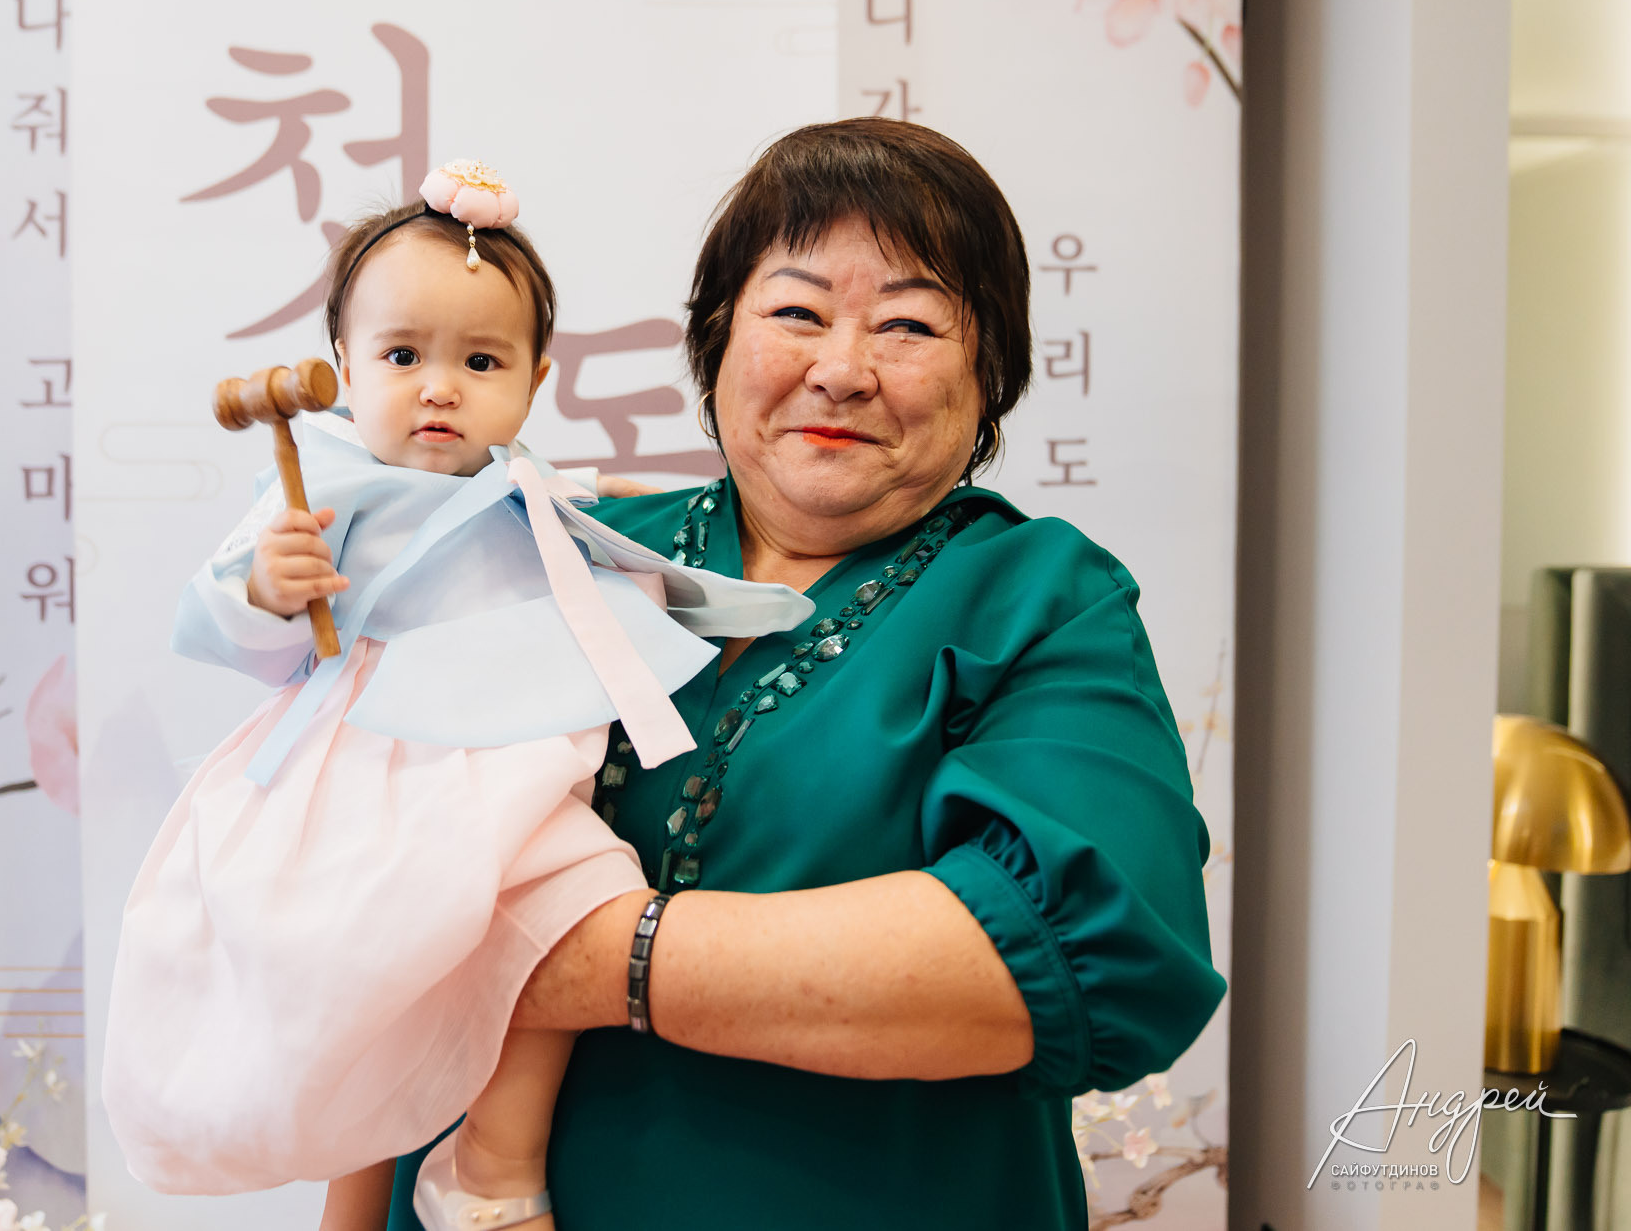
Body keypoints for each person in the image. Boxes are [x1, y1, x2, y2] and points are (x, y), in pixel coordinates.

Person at [376, 118, 1229, 1230]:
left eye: (911, 324)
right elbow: (369, 890)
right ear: (716, 340)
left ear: (990, 377)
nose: (840, 367)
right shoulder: (555, 548)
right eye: (794, 310)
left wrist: (599, 961)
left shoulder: (1039, 597)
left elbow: (1079, 953)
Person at [99, 161, 813, 1231]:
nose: (439, 387)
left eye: (480, 360)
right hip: (374, 769)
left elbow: (591, 526)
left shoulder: (519, 485)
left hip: (505, 760)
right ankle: (387, 1170)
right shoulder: (320, 488)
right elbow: (221, 622)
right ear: (342, 364)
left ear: (531, 380)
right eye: (401, 356)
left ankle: (494, 1156)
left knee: (583, 909)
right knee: (398, 960)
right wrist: (266, 586)